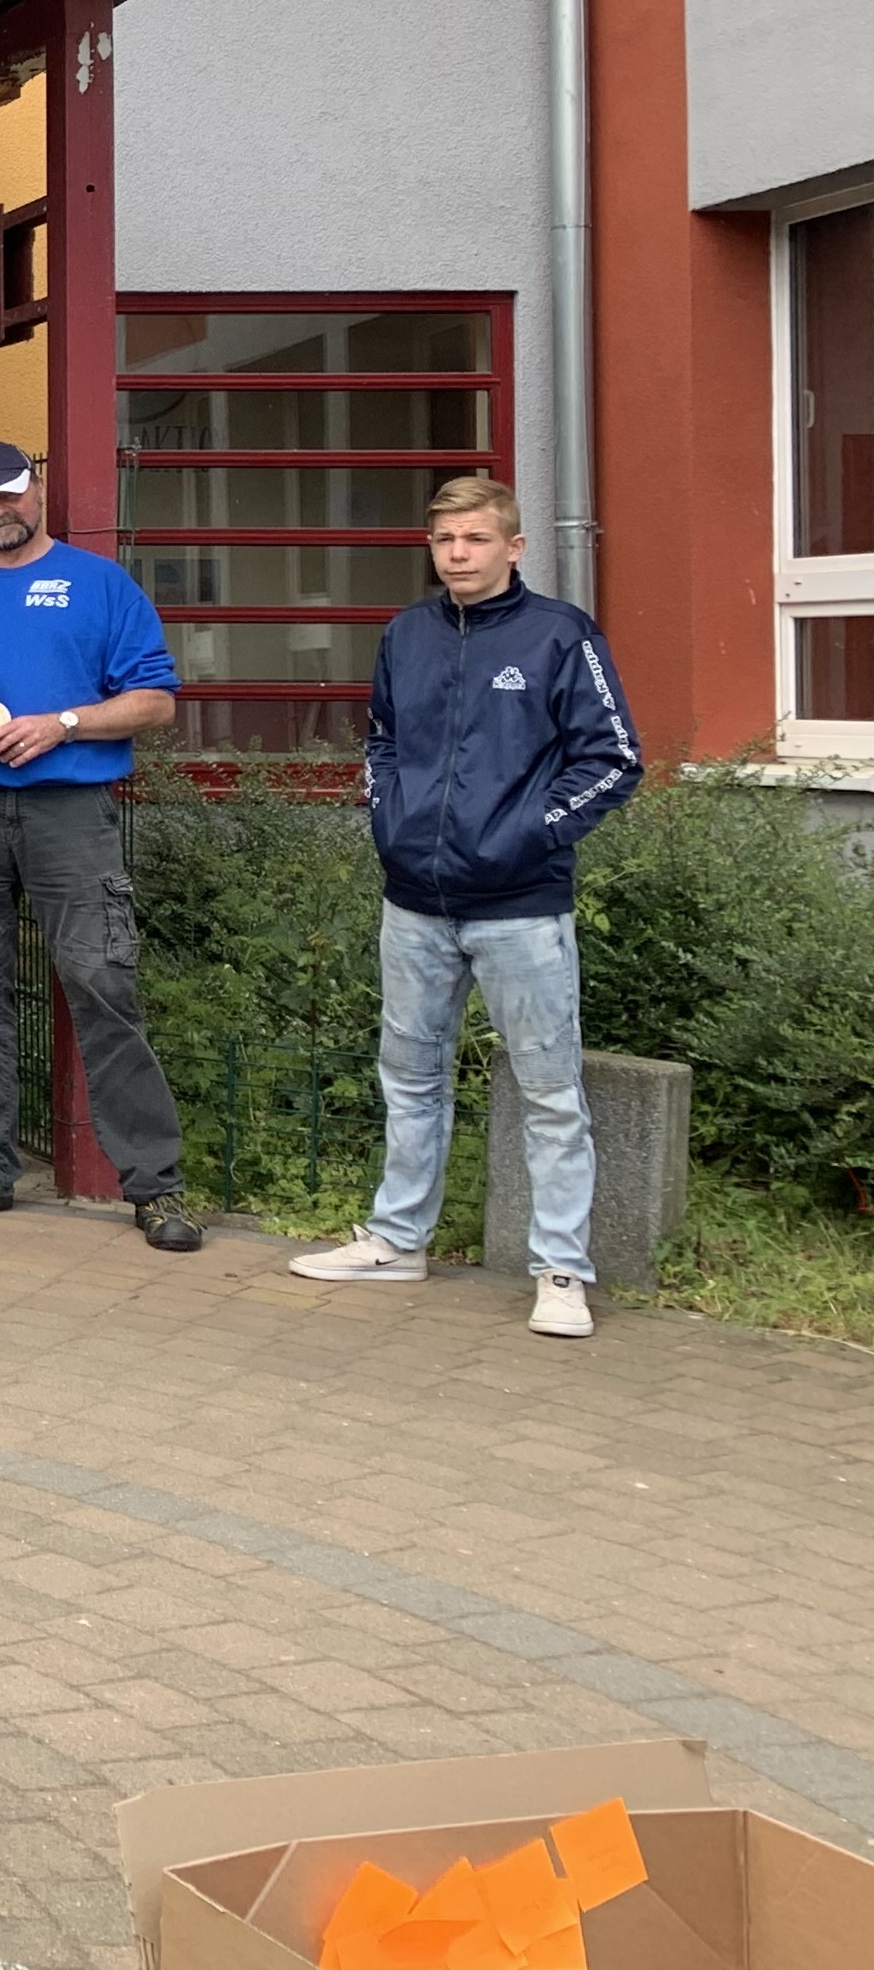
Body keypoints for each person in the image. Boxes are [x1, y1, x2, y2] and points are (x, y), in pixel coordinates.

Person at [293, 474, 640, 1337]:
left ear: (514, 547)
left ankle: (561, 1271)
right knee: (410, 1078)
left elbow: (612, 759)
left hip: (521, 906)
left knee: (549, 1091)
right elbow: (381, 742)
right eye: (445, 539)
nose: (459, 554)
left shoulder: (560, 634)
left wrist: (527, 833)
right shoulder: (405, 634)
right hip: (414, 902)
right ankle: (397, 1240)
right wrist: (389, 819)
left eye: (477, 539)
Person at [0, 440, 202, 1251]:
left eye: (11, 494)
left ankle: (155, 1184)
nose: (0, 510)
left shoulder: (101, 584)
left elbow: (156, 701)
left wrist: (64, 724)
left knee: (101, 985)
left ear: (39, 490)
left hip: (68, 809)